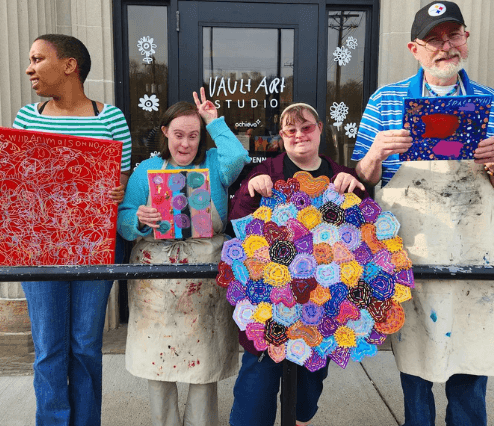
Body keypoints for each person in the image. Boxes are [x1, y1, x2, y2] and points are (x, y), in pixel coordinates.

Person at [353, 1, 494, 426]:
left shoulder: (490, 103)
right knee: (416, 374)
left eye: (453, 36)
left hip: (473, 258)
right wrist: (377, 152)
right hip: (412, 257)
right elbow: (362, 183)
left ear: (466, 41)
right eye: (433, 39)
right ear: (414, 49)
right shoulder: (386, 101)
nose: (444, 47)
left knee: (470, 371)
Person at [14, 34, 132, 426]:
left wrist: (118, 190)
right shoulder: (27, 118)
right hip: (38, 249)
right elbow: (18, 185)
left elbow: (124, 181)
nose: (29, 68)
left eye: (37, 58)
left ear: (69, 65)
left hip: (94, 247)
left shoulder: (110, 117)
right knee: (49, 347)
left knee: (85, 346)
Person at [229, 102, 367, 426]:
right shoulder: (266, 173)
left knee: (305, 398)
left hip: (321, 308)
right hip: (267, 303)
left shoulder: (339, 175)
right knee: (254, 397)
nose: (299, 135)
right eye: (291, 130)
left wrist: (356, 190)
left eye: (306, 127)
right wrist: (250, 192)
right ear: (282, 135)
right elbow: (236, 225)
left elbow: (364, 235)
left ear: (320, 128)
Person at [117, 89, 250, 426]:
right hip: (156, 280)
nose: (186, 144)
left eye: (193, 135)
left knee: (203, 363)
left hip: (204, 275)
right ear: (165, 133)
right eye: (178, 134)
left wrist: (213, 121)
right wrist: (137, 219)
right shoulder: (146, 169)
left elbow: (238, 157)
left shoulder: (215, 163)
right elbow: (124, 218)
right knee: (157, 360)